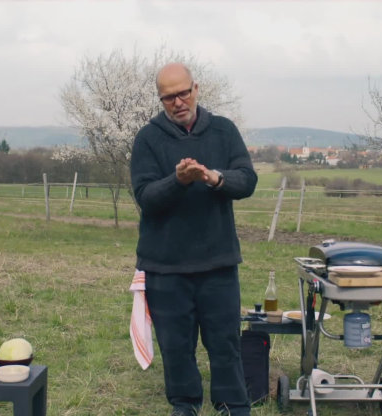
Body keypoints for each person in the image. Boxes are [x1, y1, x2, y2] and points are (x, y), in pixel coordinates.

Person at [130, 62, 258, 416]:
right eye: (168, 97)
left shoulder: (224, 131)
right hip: (165, 266)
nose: (177, 102)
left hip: (217, 263)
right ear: (161, 99)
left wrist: (215, 178)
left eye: (183, 92)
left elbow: (247, 179)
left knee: (225, 343)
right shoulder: (148, 138)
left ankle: (232, 406)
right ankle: (184, 406)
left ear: (196, 89)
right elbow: (146, 197)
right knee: (175, 346)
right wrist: (179, 179)